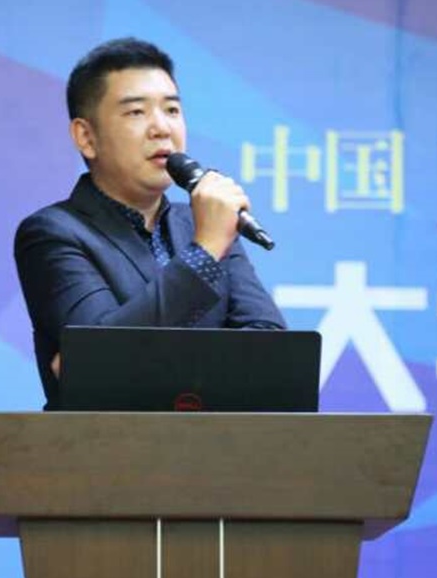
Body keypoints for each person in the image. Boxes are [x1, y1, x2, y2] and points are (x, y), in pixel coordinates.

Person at [14, 37, 286, 408]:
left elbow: (271, 349)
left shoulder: (202, 221)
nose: (161, 128)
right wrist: (205, 251)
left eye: (172, 110)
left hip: (212, 443)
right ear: (86, 137)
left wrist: (147, 365)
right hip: (102, 444)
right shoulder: (53, 233)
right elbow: (99, 359)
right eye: (136, 112)